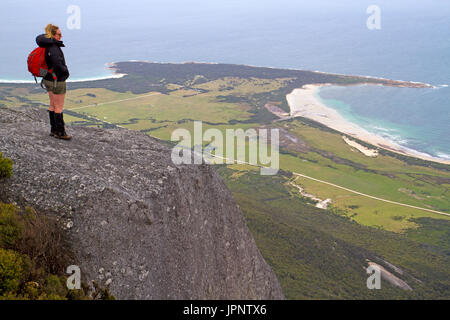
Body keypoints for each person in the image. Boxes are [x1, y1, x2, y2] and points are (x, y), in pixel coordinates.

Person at [36, 24, 71, 140]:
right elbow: (57, 64)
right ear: (53, 34)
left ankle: (53, 130)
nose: (61, 36)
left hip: (47, 78)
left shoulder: (45, 45)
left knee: (52, 104)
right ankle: (60, 132)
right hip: (57, 80)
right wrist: (65, 72)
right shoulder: (53, 48)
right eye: (59, 34)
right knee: (59, 107)